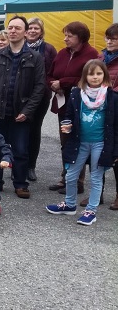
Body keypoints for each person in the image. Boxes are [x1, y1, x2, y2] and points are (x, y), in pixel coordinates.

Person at [0, 15, 46, 199]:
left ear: (25, 32)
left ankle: (20, 183)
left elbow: (40, 87)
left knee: (21, 151)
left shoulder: (35, 57)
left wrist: (27, 111)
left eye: (17, 28)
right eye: (10, 28)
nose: (13, 31)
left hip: (20, 114)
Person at [45, 59, 118, 226]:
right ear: (85, 76)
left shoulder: (111, 96)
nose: (95, 77)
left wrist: (115, 151)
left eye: (99, 73)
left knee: (96, 178)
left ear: (104, 75)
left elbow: (115, 126)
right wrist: (67, 125)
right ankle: (70, 205)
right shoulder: (77, 94)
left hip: (101, 143)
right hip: (80, 142)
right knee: (71, 175)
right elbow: (69, 114)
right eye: (91, 74)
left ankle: (91, 211)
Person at [47, 21, 99, 195]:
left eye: (70, 36)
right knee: (66, 142)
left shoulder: (91, 55)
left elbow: (84, 78)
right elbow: (50, 74)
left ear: (81, 37)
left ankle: (78, 181)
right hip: (63, 105)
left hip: (83, 106)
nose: (65, 39)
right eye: (65, 35)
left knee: (79, 143)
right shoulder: (62, 53)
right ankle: (66, 177)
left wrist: (63, 82)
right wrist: (53, 84)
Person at [25, 17, 58, 182]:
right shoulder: (19, 46)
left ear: (41, 31)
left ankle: (31, 166)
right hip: (20, 96)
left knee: (34, 130)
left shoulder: (49, 49)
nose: (32, 31)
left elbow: (54, 71)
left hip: (40, 96)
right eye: (30, 27)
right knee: (19, 131)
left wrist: (47, 85)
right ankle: (18, 164)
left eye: (36, 28)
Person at [99, 23, 118, 210]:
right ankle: (99, 193)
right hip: (99, 111)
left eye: (113, 38)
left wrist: (108, 94)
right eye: (107, 37)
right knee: (97, 152)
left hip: (116, 110)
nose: (109, 41)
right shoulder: (101, 56)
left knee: (116, 154)